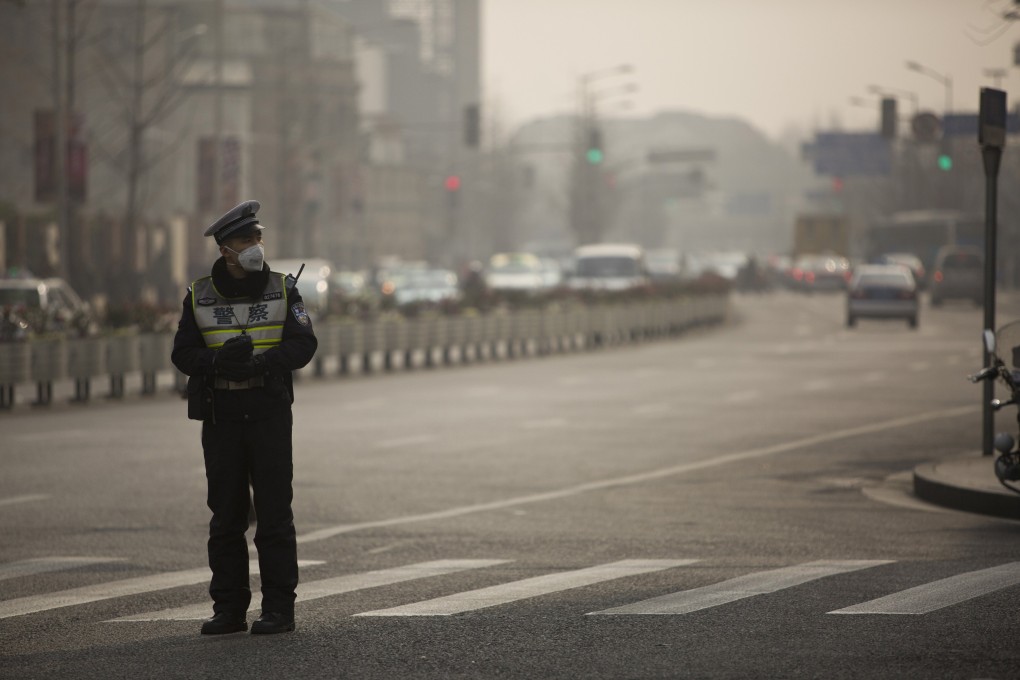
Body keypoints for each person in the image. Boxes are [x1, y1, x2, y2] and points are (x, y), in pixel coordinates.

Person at [171, 200, 317, 635]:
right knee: (226, 516)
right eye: (244, 240)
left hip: (268, 410)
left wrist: (262, 363)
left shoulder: (283, 286)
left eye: (257, 237)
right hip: (222, 415)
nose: (254, 246)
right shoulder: (198, 294)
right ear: (225, 250)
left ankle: (278, 610)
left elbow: (303, 344)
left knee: (274, 515)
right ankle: (229, 610)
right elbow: (182, 353)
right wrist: (218, 364)